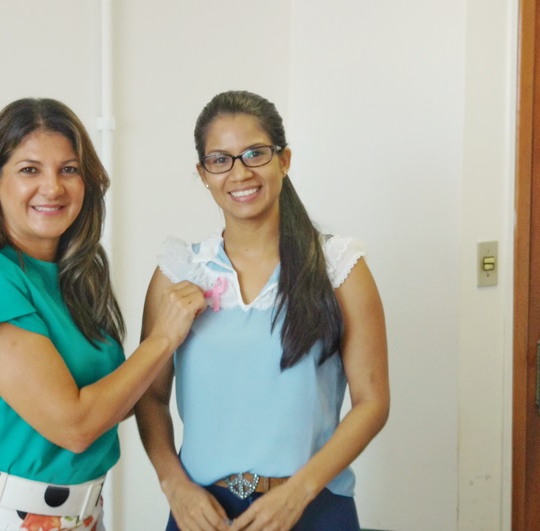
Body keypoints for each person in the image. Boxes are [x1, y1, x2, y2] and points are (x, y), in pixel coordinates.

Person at [0, 98, 205, 531]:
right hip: (1, 519)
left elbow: (115, 402)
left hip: (82, 516)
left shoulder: (76, 276)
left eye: (69, 169)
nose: (53, 187)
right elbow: (75, 426)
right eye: (29, 170)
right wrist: (163, 339)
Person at [135, 90, 390, 531]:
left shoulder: (338, 267)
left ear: (284, 160)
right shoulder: (179, 272)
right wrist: (174, 486)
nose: (240, 173)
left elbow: (372, 402)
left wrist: (299, 492)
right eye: (220, 160)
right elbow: (150, 396)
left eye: (255, 153)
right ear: (203, 173)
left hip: (313, 507)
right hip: (203, 514)